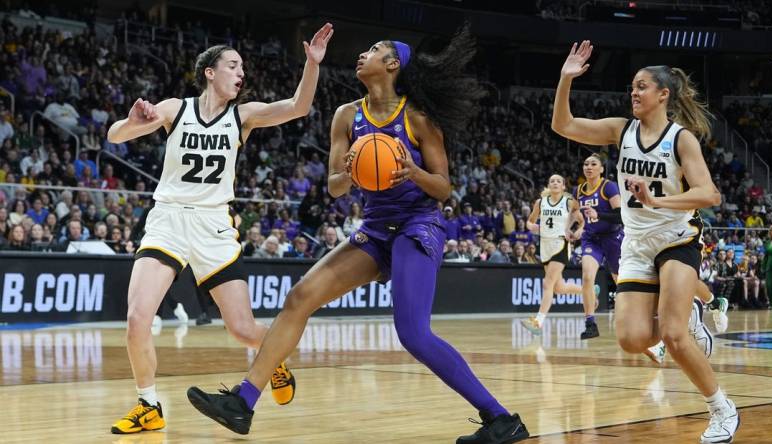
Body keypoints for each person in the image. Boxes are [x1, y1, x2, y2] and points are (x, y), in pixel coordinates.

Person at [187, 25, 529, 442]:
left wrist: (413, 171)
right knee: (299, 298)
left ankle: (500, 418)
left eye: (373, 49)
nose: (362, 54)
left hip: (418, 224)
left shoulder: (417, 117)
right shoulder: (347, 115)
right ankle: (242, 403)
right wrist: (348, 172)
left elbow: (443, 188)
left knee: (414, 334)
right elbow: (333, 186)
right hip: (375, 228)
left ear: (392, 64)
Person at [104, 23, 334, 435]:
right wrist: (133, 119)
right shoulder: (176, 108)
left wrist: (312, 65)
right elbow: (115, 136)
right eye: (233, 65)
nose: (241, 72)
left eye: (242, 67)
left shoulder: (243, 116)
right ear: (210, 72)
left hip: (213, 225)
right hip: (168, 220)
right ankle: (148, 404)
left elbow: (299, 106)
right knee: (138, 318)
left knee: (242, 329)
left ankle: (273, 362)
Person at [551, 40, 739, 443]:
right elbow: (563, 126)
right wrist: (566, 80)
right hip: (636, 243)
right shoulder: (622, 130)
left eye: (641, 87)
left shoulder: (680, 139)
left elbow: (709, 194)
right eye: (632, 87)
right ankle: (688, 314)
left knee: (672, 335)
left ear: (663, 94)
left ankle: (722, 409)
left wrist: (659, 200)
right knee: (632, 339)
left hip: (676, 238)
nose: (633, 93)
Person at [522, 174, 584, 335]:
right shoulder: (540, 202)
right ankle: (588, 290)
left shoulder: (569, 202)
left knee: (547, 284)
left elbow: (582, 221)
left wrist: (578, 231)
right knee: (559, 288)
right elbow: (529, 222)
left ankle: (538, 322)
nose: (555, 183)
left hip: (560, 245)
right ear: (548, 185)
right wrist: (532, 227)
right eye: (552, 181)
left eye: (558, 181)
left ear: (563, 186)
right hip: (545, 246)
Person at [573, 153, 622, 339]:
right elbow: (578, 215)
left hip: (612, 238)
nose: (588, 167)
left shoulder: (608, 186)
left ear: (601, 169)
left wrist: (598, 215)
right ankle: (590, 324)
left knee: (621, 282)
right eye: (585, 163)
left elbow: (620, 216)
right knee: (586, 276)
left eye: (593, 164)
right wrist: (574, 229)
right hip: (592, 238)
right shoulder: (578, 190)